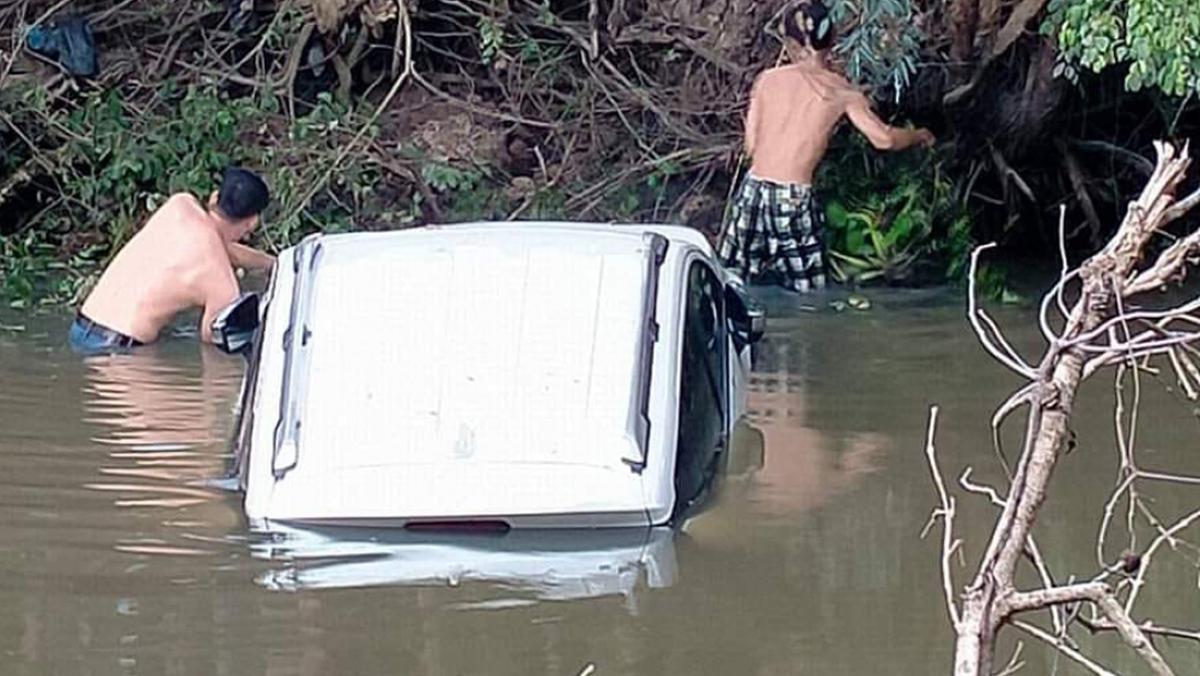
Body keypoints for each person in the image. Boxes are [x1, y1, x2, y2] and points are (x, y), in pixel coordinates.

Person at [718, 0, 936, 293]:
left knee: (731, 283)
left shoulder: (767, 80)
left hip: (752, 190)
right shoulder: (841, 91)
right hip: (792, 197)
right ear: (833, 39)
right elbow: (883, 139)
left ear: (791, 43)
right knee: (807, 293)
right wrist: (919, 135)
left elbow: (750, 146)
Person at [69, 167, 275, 353]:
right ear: (252, 223)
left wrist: (270, 263)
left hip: (81, 326)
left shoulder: (179, 206)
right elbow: (213, 339)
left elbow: (218, 247)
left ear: (214, 198)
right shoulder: (222, 283)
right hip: (120, 351)